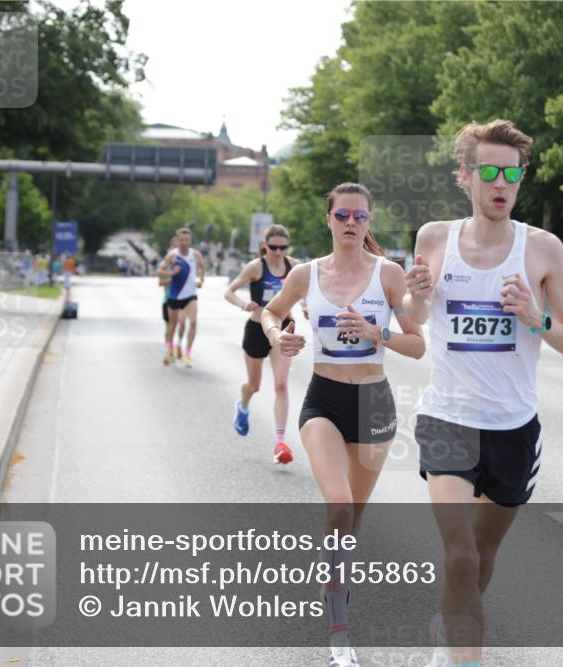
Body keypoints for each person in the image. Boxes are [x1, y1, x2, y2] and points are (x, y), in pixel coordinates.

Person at [403, 119, 563, 667]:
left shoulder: (544, 249)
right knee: (458, 556)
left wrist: (535, 316)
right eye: (490, 172)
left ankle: (451, 628)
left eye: (512, 173)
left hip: (512, 429)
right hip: (447, 420)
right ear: (467, 176)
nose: (501, 183)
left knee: (481, 557)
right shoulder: (434, 239)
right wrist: (414, 300)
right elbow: (415, 323)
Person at [261, 183, 425, 667]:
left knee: (350, 521)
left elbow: (418, 346)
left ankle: (336, 577)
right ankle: (339, 634)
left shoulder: (389, 274)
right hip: (324, 399)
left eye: (360, 216)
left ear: (368, 223)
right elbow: (271, 313)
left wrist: (381, 333)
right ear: (329, 220)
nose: (351, 222)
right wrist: (280, 336)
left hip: (374, 402)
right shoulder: (307, 275)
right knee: (338, 504)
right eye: (342, 215)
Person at [224, 224, 301, 464]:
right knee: (254, 385)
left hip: (283, 328)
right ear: (265, 245)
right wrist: (242, 304)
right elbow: (230, 291)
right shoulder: (256, 266)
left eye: (283, 247)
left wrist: (308, 308)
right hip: (257, 329)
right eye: (273, 247)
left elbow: (309, 292)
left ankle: (280, 442)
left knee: (280, 384)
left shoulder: (295, 267)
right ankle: (243, 404)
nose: (278, 252)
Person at [158, 227, 205, 367]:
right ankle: (171, 349)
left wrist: (201, 280)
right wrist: (171, 273)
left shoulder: (195, 254)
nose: (184, 242)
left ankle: (188, 354)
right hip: (174, 296)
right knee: (173, 325)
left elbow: (202, 267)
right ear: (177, 241)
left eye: (187, 240)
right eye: (182, 240)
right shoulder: (172, 256)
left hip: (190, 295)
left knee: (193, 322)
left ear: (190, 241)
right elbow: (160, 272)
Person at [158, 237, 186, 366]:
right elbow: (160, 282)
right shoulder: (166, 264)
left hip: (183, 299)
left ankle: (179, 344)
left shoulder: (185, 262)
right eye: (175, 247)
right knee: (169, 327)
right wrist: (172, 277)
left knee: (182, 322)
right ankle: (169, 350)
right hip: (168, 299)